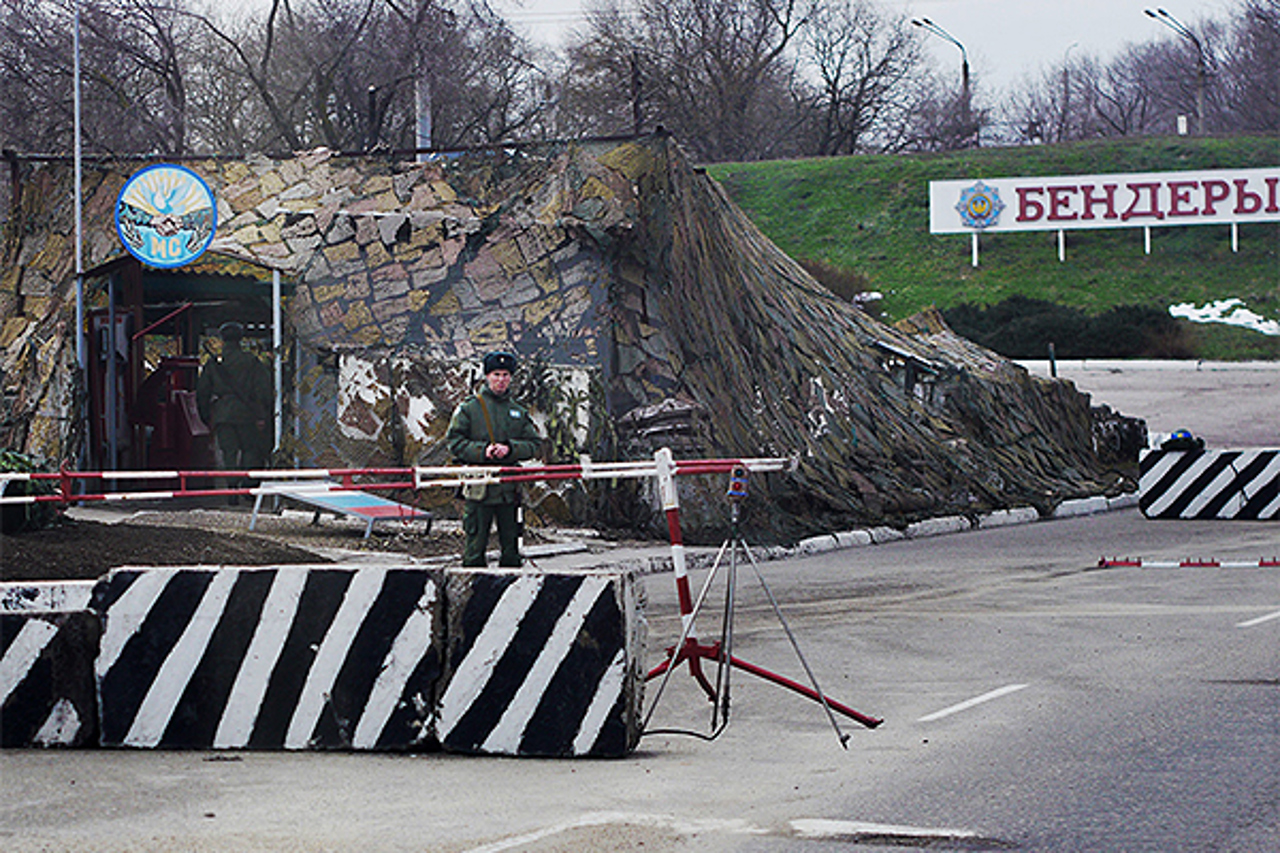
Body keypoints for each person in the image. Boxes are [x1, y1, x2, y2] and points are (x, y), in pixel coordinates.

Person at [446, 351, 543, 567]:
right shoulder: (470, 408)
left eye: (506, 375)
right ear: (487, 376)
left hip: (509, 490)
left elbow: (534, 445)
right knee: (474, 548)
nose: (501, 380)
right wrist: (483, 451)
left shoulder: (517, 411)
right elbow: (454, 442)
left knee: (511, 550)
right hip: (480, 486)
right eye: (496, 374)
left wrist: (510, 449)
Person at [196, 322, 273, 496]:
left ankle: (231, 487)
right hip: (247, 412)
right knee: (250, 450)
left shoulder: (214, 362)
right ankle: (246, 485)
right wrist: (263, 411)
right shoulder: (251, 361)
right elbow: (264, 389)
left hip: (223, 413)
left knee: (228, 451)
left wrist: (205, 415)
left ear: (222, 339)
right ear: (241, 338)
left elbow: (202, 391)